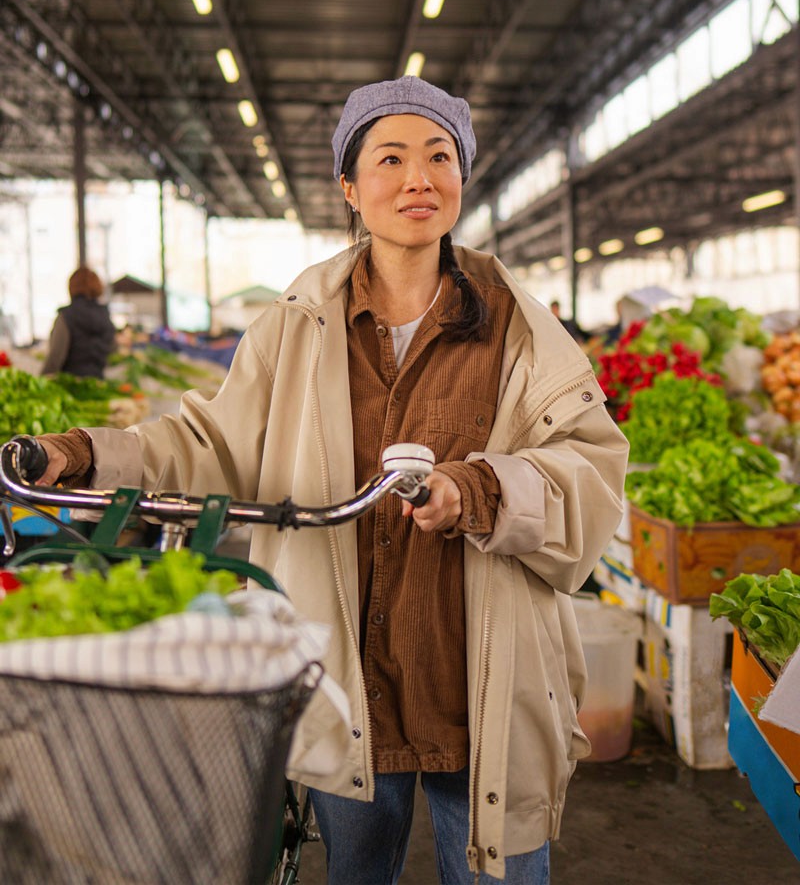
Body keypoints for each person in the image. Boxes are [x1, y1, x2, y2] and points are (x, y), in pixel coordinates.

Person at [34, 76, 628, 884]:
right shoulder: (298, 323)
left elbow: (591, 470)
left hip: (485, 677)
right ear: (350, 187)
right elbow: (211, 440)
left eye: (439, 156)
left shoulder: (519, 327)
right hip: (352, 683)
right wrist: (88, 453)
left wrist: (480, 490)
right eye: (391, 158)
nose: (419, 178)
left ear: (462, 178)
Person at [40, 266, 117, 378]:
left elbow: (55, 356)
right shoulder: (105, 315)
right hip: (97, 383)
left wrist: (41, 379)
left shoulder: (67, 316)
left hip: (70, 385)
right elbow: (113, 348)